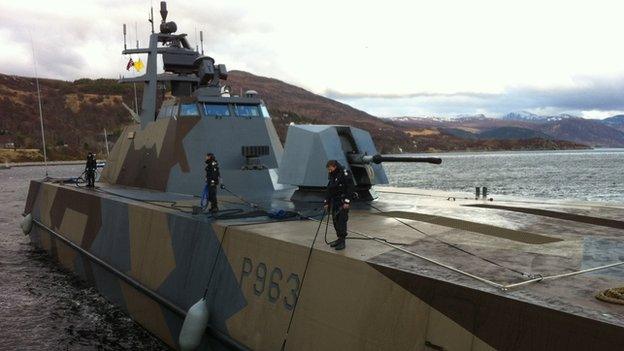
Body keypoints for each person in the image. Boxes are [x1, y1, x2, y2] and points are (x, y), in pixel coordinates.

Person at [323, 160, 355, 251]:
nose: (329, 171)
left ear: (334, 166)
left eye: (330, 169)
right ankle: (339, 239)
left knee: (341, 221)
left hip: (343, 202)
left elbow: (350, 188)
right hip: (335, 202)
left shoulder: (344, 174)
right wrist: (326, 202)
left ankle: (342, 241)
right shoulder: (332, 175)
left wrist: (347, 202)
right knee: (335, 221)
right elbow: (329, 189)